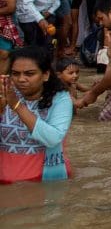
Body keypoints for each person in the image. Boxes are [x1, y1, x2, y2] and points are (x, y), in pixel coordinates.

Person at [0, 47, 73, 183]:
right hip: (4, 181)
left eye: (29, 74)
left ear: (45, 75)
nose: (21, 79)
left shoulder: (60, 99)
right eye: (15, 74)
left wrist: (17, 106)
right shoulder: (6, 93)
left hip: (43, 182)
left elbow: (53, 138)